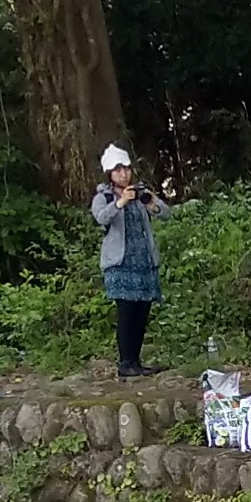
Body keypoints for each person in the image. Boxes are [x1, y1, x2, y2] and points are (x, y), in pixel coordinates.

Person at [93, 146, 170, 377]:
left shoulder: (140, 192)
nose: (123, 174)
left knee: (142, 311)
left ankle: (136, 361)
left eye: (126, 169)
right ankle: (125, 362)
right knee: (126, 311)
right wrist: (120, 202)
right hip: (120, 263)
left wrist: (151, 203)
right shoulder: (103, 197)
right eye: (118, 170)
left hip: (144, 261)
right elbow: (100, 217)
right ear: (109, 174)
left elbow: (166, 213)